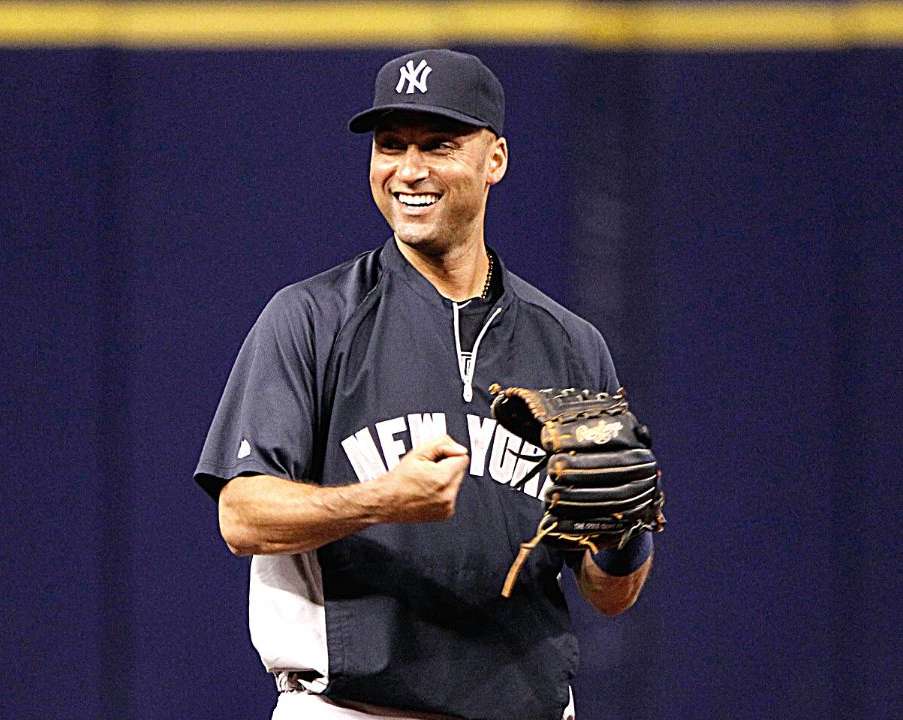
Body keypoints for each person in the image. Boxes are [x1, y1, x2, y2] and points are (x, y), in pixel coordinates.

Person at [194, 49, 655, 720]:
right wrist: (380, 499)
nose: (408, 170)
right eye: (390, 145)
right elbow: (240, 516)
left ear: (494, 159)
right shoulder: (312, 317)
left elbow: (610, 594)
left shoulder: (571, 344)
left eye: (438, 144)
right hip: (353, 709)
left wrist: (623, 536)